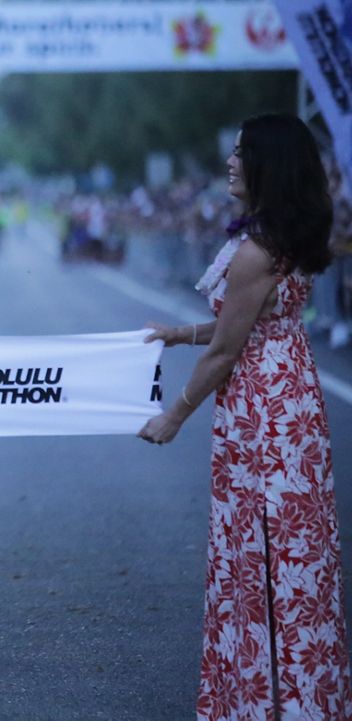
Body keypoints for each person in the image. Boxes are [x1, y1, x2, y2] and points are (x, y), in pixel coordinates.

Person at [138, 114, 351, 719]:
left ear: (268, 166)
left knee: (258, 546)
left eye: (240, 154)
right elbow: (251, 324)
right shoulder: (277, 238)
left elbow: (229, 350)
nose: (230, 163)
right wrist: (181, 333)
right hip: (292, 398)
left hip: (263, 412)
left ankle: (263, 701)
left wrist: (175, 414)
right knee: (293, 550)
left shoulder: (255, 252)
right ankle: (304, 697)